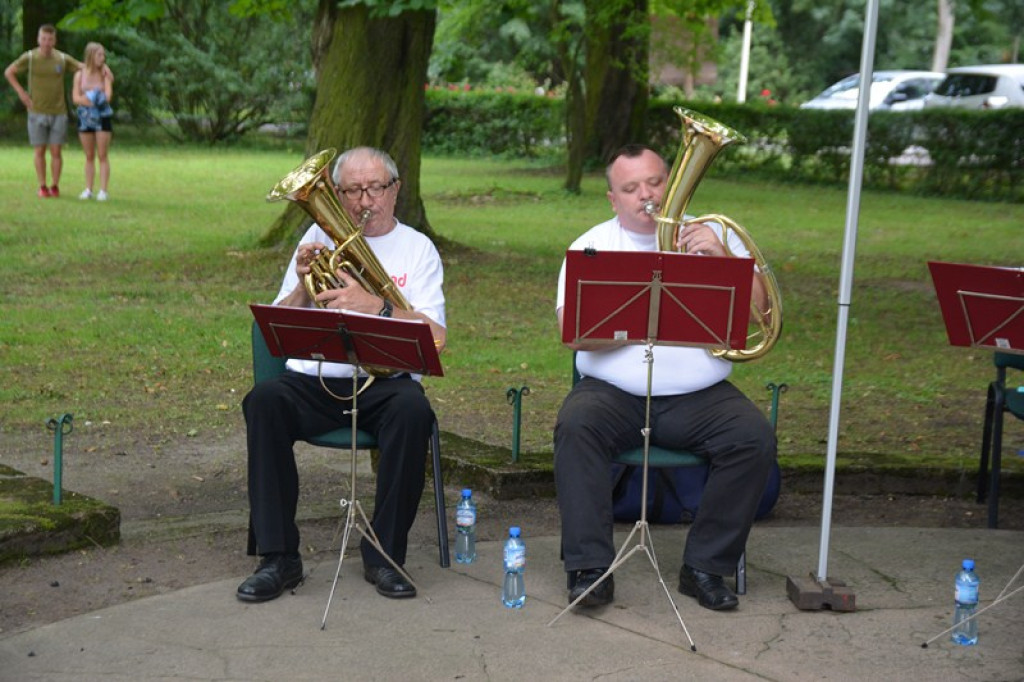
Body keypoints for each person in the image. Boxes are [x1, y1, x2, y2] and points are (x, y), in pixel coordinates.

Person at [553, 144, 777, 611]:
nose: (646, 195)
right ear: (613, 199)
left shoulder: (710, 234)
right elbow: (569, 333)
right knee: (576, 426)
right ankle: (589, 567)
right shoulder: (590, 245)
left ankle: (706, 567)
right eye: (631, 188)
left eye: (655, 182)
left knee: (753, 437)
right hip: (612, 393)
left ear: (671, 181)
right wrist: (631, 319)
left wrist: (721, 260)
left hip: (699, 395)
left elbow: (763, 313)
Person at [238, 147, 446, 603]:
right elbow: (277, 326)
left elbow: (436, 338)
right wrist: (300, 283)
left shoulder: (418, 248)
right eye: (351, 190)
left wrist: (376, 306)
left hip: (385, 385)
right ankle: (279, 558)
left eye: (375, 188)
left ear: (395, 190)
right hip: (314, 379)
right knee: (264, 402)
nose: (363, 200)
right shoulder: (316, 235)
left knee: (414, 412)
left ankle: (385, 555)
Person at [4, 24, 82, 198]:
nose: (47, 43)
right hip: (36, 111)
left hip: (59, 112)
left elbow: (83, 68)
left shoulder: (62, 59)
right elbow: (9, 72)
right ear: (38, 39)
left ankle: (54, 185)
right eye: (44, 39)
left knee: (56, 151)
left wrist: (102, 68)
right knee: (39, 151)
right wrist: (21, 93)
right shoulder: (30, 58)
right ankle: (42, 186)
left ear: (55, 40)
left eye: (50, 39)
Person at [71, 42, 114, 201]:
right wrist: (91, 99)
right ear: (90, 56)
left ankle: (103, 190)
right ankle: (88, 189)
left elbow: (108, 96)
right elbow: (75, 98)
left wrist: (88, 98)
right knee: (89, 155)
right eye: (99, 55)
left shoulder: (105, 73)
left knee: (102, 154)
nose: (102, 58)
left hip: (102, 117)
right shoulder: (79, 75)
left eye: (103, 55)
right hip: (85, 117)